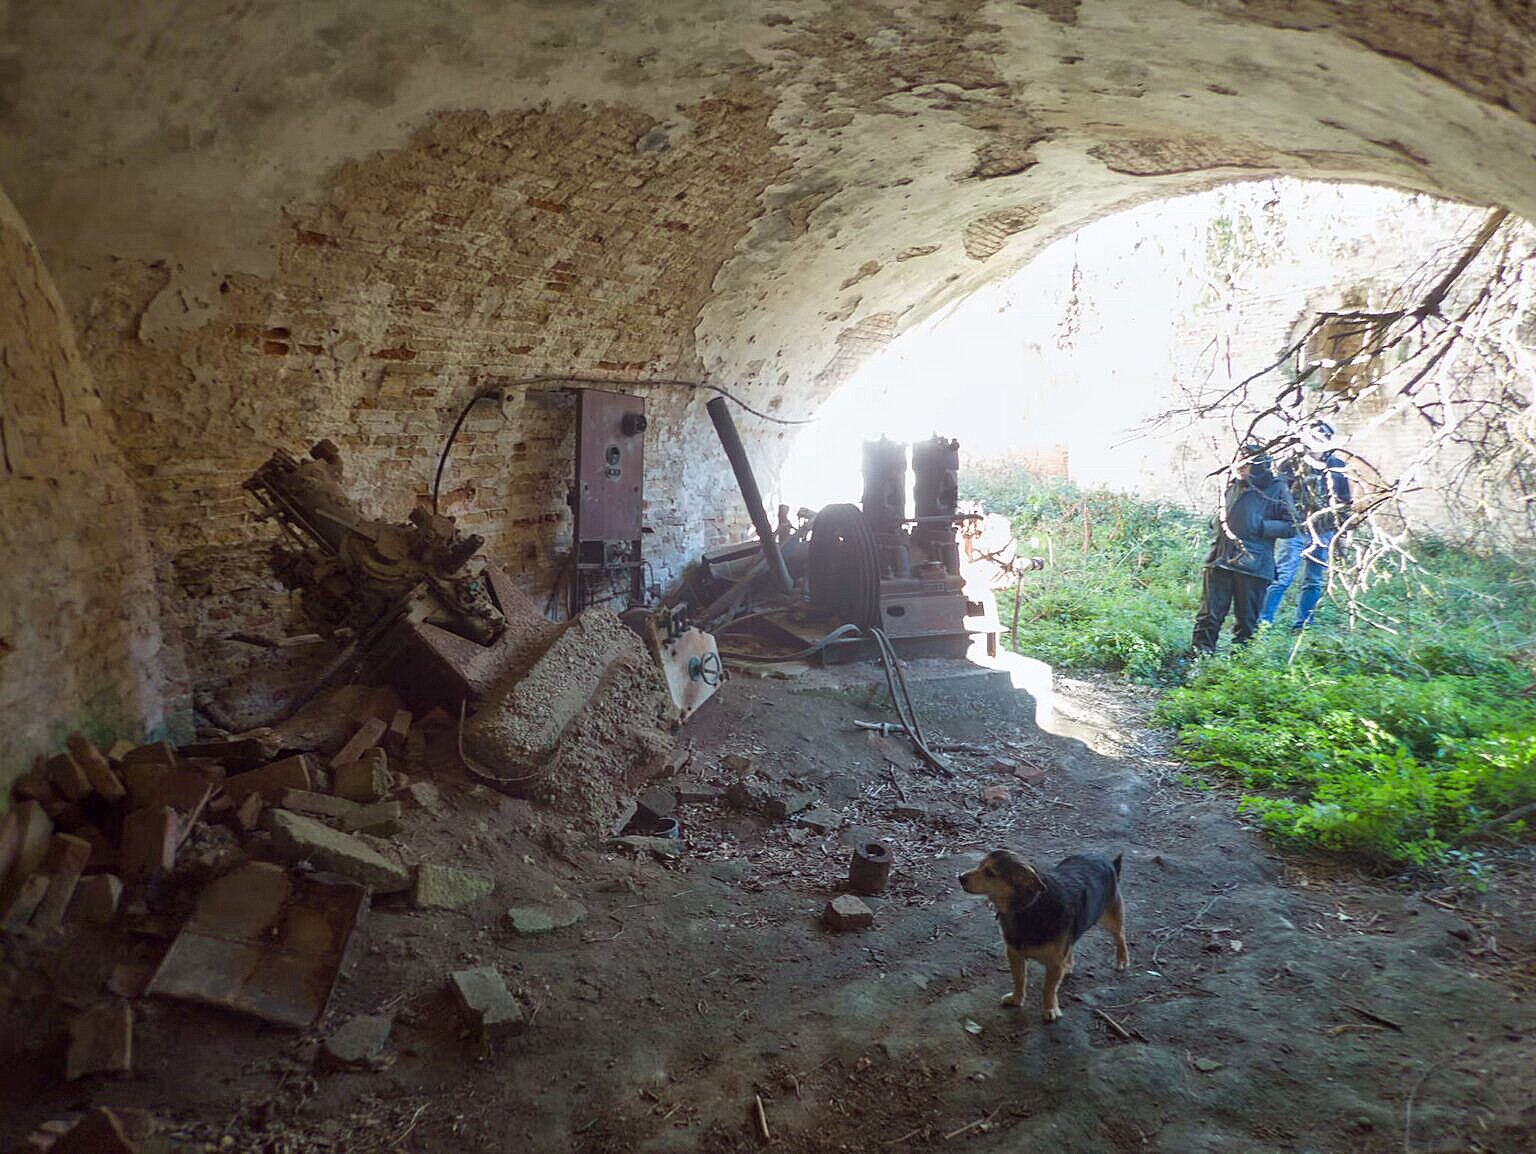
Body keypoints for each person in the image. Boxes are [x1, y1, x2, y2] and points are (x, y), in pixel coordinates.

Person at [1193, 444, 1297, 655]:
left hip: (1253, 565)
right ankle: (1199, 660)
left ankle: (1239, 668)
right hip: (1220, 559)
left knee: (1247, 622)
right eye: (1239, 461)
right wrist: (1215, 523)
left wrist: (1260, 526)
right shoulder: (1233, 484)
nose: (1240, 467)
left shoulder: (1276, 488)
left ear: (1259, 465)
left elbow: (1292, 526)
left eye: (1247, 463)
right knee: (1208, 616)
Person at [1259, 421, 1352, 631]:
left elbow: (1345, 501)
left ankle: (1303, 626)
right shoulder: (1291, 464)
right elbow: (1279, 497)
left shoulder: (1336, 466)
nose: (1313, 447)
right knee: (1282, 577)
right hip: (1295, 530)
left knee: (1314, 581)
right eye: (1312, 442)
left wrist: (1342, 534)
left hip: (1324, 532)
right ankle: (1262, 625)